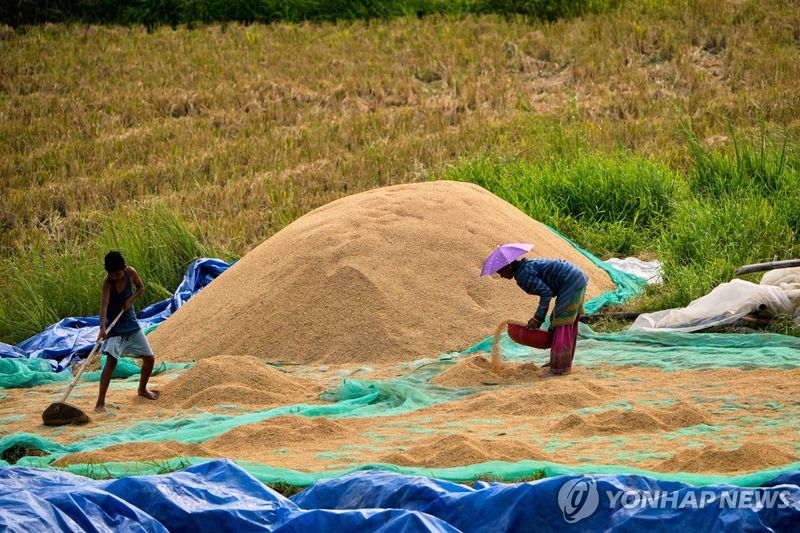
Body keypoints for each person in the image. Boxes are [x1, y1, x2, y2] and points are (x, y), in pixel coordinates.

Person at [496, 257, 588, 375]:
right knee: (559, 318)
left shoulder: (523, 274)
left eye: (501, 271)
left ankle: (560, 366)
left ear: (509, 266)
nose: (501, 276)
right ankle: (559, 361)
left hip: (571, 280)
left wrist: (537, 318)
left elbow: (546, 293)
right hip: (575, 277)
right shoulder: (524, 268)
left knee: (563, 319)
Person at [95, 251, 159, 413]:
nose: (115, 277)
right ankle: (100, 402)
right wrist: (102, 328)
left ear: (123, 268)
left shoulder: (131, 273)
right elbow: (103, 306)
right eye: (111, 275)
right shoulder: (108, 283)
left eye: (118, 274)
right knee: (111, 362)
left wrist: (130, 299)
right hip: (115, 327)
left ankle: (142, 389)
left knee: (149, 358)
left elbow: (140, 287)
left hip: (130, 322)